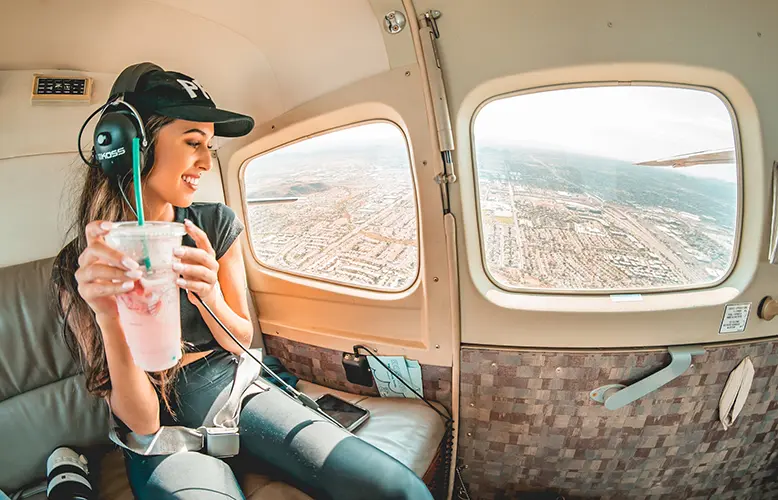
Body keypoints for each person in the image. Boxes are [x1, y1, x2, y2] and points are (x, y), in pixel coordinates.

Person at [51, 65, 434, 500]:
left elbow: (241, 339)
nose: (205, 161)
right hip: (158, 424)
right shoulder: (81, 270)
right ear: (129, 148)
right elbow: (141, 422)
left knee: (399, 489)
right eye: (193, 142)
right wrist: (109, 317)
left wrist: (208, 292)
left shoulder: (214, 224)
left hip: (229, 386)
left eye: (209, 147)